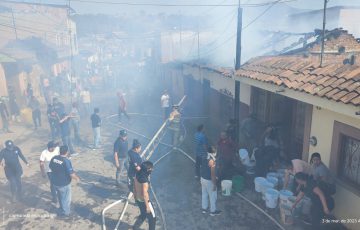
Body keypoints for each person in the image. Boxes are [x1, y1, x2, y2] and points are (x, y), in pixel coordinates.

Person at [49, 145, 80, 218]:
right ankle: (66, 213)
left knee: (60, 197)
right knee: (66, 199)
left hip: (55, 182)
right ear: (67, 152)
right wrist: (77, 178)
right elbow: (71, 174)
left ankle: (61, 208)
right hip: (64, 183)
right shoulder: (66, 161)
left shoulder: (54, 158)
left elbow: (50, 167)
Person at [133, 161, 156, 230]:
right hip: (145, 201)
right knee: (153, 218)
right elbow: (144, 194)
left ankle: (135, 227)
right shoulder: (144, 181)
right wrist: (147, 206)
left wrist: (135, 197)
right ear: (147, 170)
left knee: (143, 215)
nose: (152, 170)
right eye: (151, 169)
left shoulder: (137, 174)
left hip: (138, 199)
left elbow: (134, 186)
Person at [201, 146, 221, 216]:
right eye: (215, 152)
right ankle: (213, 211)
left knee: (204, 194)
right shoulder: (212, 161)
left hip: (202, 178)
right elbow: (212, 174)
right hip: (209, 181)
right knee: (212, 196)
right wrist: (214, 184)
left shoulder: (204, 157)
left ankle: (204, 209)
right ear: (213, 153)